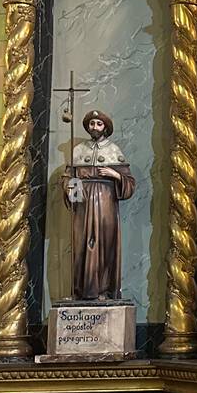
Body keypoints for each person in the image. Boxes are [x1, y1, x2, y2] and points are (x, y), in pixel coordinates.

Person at [63, 109, 135, 301]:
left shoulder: (114, 150)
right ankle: (81, 291)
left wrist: (115, 175)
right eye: (92, 124)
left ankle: (103, 290)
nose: (95, 127)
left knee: (105, 245)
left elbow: (129, 183)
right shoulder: (79, 150)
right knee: (81, 245)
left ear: (105, 127)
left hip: (105, 204)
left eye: (99, 124)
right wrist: (71, 189)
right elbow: (68, 178)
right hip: (84, 205)